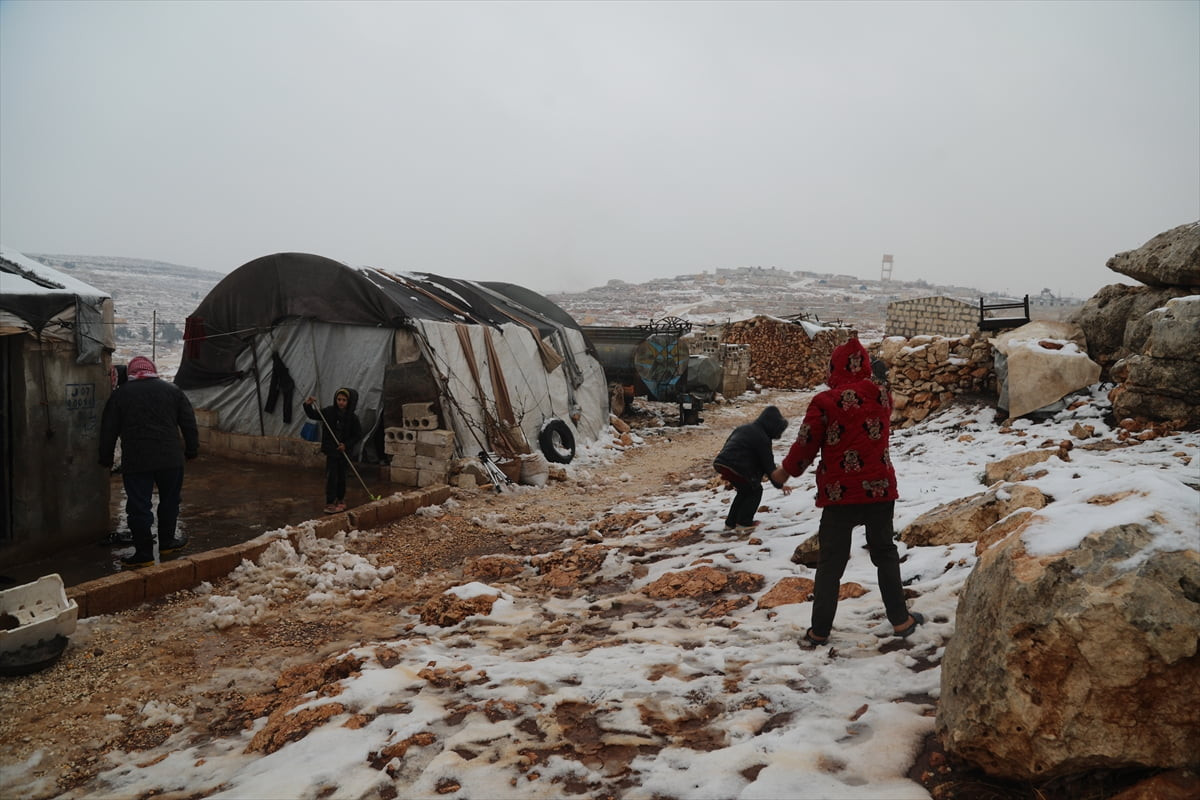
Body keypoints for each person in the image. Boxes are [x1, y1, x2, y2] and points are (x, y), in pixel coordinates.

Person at [771, 338, 923, 646]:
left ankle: (819, 631)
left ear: (834, 367)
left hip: (840, 493)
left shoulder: (824, 402)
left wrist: (784, 472)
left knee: (831, 564)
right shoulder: (882, 395)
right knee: (885, 553)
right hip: (880, 490)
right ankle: (901, 620)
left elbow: (806, 444)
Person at [99, 355, 199, 568]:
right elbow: (188, 422)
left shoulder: (120, 395)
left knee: (138, 506)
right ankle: (167, 544)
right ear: (153, 370)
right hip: (170, 459)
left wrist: (106, 458)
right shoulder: (173, 391)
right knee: (170, 500)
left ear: (131, 373)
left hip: (137, 461)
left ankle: (144, 553)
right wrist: (192, 451)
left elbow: (108, 430)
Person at [713, 405, 791, 533]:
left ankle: (731, 523)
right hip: (737, 467)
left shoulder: (744, 428)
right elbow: (768, 466)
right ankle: (744, 523)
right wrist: (779, 484)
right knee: (755, 490)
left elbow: (729, 445)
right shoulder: (762, 438)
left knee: (745, 491)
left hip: (722, 463)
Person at [303, 388, 362, 513]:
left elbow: (357, 435)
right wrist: (308, 405)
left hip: (344, 453)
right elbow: (313, 415)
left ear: (349, 402)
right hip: (332, 451)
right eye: (339, 399)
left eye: (344, 400)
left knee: (342, 477)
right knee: (332, 477)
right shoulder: (329, 412)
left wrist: (346, 445)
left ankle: (340, 499)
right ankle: (330, 502)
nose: (341, 402)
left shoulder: (352, 418)